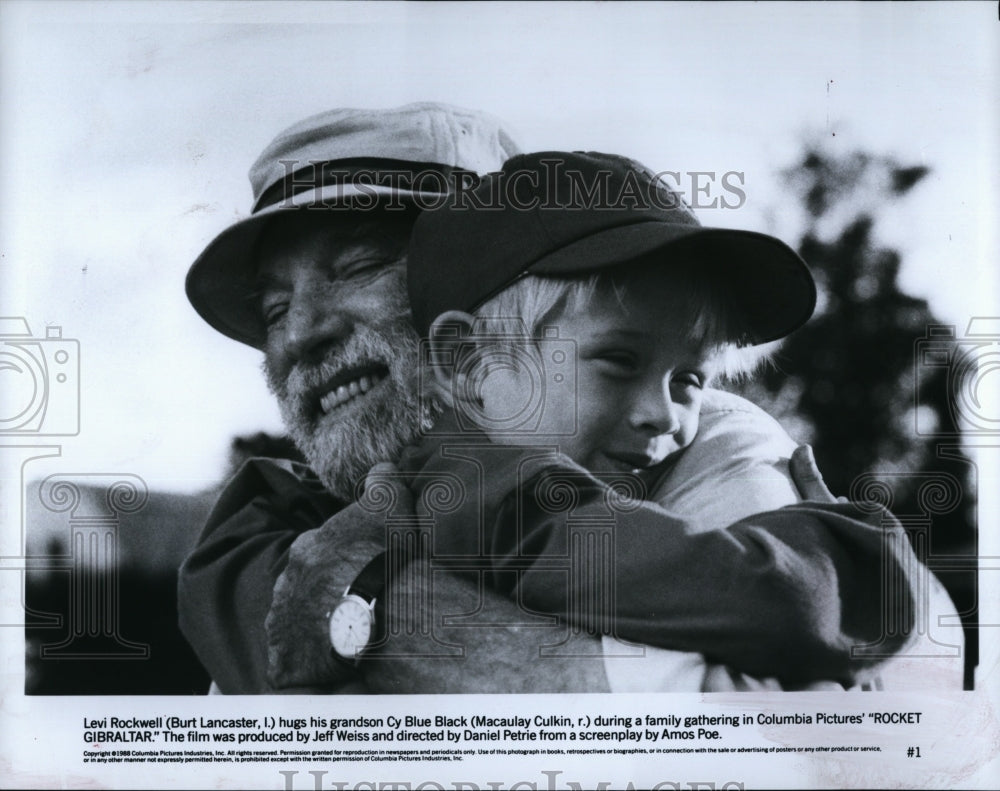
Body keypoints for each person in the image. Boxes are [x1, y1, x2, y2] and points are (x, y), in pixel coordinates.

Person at [178, 104, 926, 694]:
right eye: (273, 308)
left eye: (362, 263)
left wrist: (357, 616)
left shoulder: (716, 450)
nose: (299, 332)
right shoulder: (376, 500)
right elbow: (235, 563)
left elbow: (793, 725)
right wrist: (859, 556)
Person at [381, 150, 922, 689]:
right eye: (618, 361)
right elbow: (783, 605)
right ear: (471, 363)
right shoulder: (495, 497)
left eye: (690, 379)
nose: (664, 415)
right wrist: (849, 551)